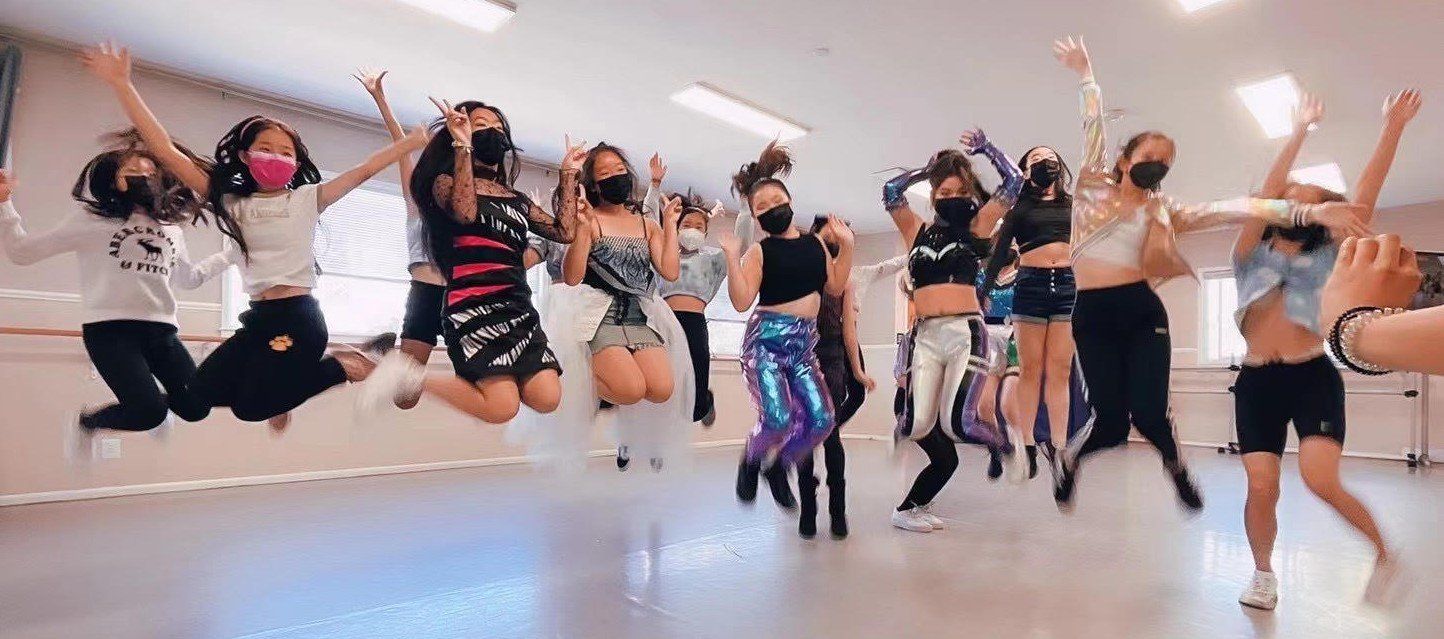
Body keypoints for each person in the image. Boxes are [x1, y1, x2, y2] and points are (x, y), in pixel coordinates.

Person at [1048, 36, 1371, 512]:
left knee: (1153, 416)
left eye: (1166, 163)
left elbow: (1232, 208)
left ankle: (1175, 467)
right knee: (1112, 423)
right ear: (1123, 160)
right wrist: (1086, 74)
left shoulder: (1166, 210)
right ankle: (1071, 461)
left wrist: (1309, 213)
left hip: (1140, 309)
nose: (1156, 166)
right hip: (1093, 313)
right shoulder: (1092, 186)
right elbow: (1091, 126)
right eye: (1148, 156)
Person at [85, 43, 420, 429]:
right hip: (259, 319)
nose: (276, 156)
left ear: (296, 163)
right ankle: (307, 379)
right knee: (194, 398)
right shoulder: (231, 201)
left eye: (285, 152)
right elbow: (165, 149)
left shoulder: (309, 198)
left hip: (297, 319)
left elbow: (365, 168)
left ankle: (346, 366)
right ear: (245, 155)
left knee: (250, 409)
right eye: (265, 148)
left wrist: (408, 144)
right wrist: (122, 84)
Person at [1233, 89, 1419, 610]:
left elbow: (1365, 195)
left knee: (1318, 479)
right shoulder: (1249, 249)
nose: (1300, 203)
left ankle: (1385, 555)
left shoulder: (1331, 256)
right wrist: (1298, 132)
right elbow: (1267, 193)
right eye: (1292, 198)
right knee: (1262, 484)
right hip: (1255, 381)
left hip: (1310, 373)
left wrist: (1393, 126)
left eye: (1312, 199)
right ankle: (1263, 574)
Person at [362, 100, 578, 424]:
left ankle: (402, 372)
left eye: (499, 127)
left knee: (548, 398)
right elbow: (465, 212)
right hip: (473, 304)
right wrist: (463, 145)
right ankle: (407, 375)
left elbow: (564, 230)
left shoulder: (517, 200)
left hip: (518, 307)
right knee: (501, 407)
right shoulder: (444, 183)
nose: (492, 132)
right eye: (481, 126)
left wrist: (568, 175)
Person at [0, 132, 228, 437]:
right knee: (149, 415)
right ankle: (90, 421)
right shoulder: (90, 221)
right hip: (111, 332)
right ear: (112, 180)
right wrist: (5, 205)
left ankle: (153, 401)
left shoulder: (171, 229)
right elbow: (23, 253)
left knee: (196, 407)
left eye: (150, 172)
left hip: (163, 331)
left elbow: (189, 279)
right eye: (132, 172)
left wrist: (231, 256)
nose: (143, 177)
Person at [882, 129, 1024, 533]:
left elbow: (1013, 184)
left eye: (958, 189)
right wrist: (924, 171)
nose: (949, 196)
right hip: (925, 335)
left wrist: (988, 149)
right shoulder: (917, 230)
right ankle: (908, 508)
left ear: (969, 193)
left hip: (965, 331)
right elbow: (891, 191)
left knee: (961, 422)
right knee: (919, 427)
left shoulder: (978, 227)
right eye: (941, 190)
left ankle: (1001, 443)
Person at [724, 141, 852, 510]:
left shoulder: (815, 244)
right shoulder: (761, 251)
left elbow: (835, 287)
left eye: (773, 201)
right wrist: (733, 259)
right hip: (765, 343)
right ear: (755, 217)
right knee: (777, 419)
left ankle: (778, 466)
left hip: (803, 346)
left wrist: (848, 247)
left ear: (790, 201)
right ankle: (751, 461)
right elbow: (740, 301)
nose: (769, 209)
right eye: (759, 207)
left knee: (823, 419)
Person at [981, 145, 1080, 484]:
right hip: (1031, 286)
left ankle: (1059, 446)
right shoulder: (1020, 209)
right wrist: (983, 291)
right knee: (1031, 369)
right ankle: (1027, 444)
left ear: (1059, 165)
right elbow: (996, 258)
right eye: (1035, 160)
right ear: (1025, 171)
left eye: (1049, 158)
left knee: (1060, 370)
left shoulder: (1073, 206)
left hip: (1068, 285)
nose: (1044, 163)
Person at [355, 69, 442, 410]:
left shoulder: (462, 210)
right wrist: (381, 100)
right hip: (424, 295)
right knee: (405, 398)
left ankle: (386, 354)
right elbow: (402, 151)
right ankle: (385, 353)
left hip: (458, 298)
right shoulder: (416, 204)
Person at [658, 189, 728, 426]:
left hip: (695, 323)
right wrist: (654, 186)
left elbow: (743, 244)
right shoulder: (664, 256)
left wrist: (746, 209)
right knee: (664, 380)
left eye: (699, 227)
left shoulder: (712, 258)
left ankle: (705, 400)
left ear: (706, 233)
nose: (692, 229)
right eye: (687, 224)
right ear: (677, 228)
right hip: (666, 322)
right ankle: (658, 437)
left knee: (695, 404)